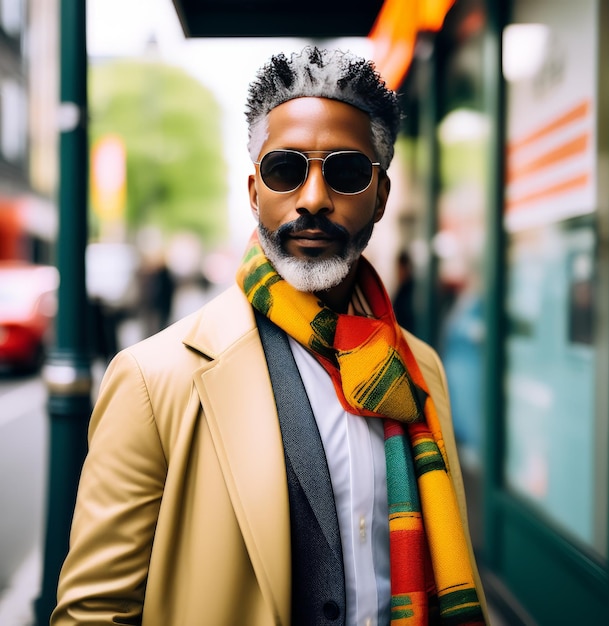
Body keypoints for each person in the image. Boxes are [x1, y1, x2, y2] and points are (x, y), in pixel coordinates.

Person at [52, 46, 488, 626]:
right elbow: (94, 612)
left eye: (347, 171)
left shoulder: (421, 368)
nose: (312, 198)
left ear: (381, 197)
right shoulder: (152, 381)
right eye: (286, 169)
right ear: (255, 191)